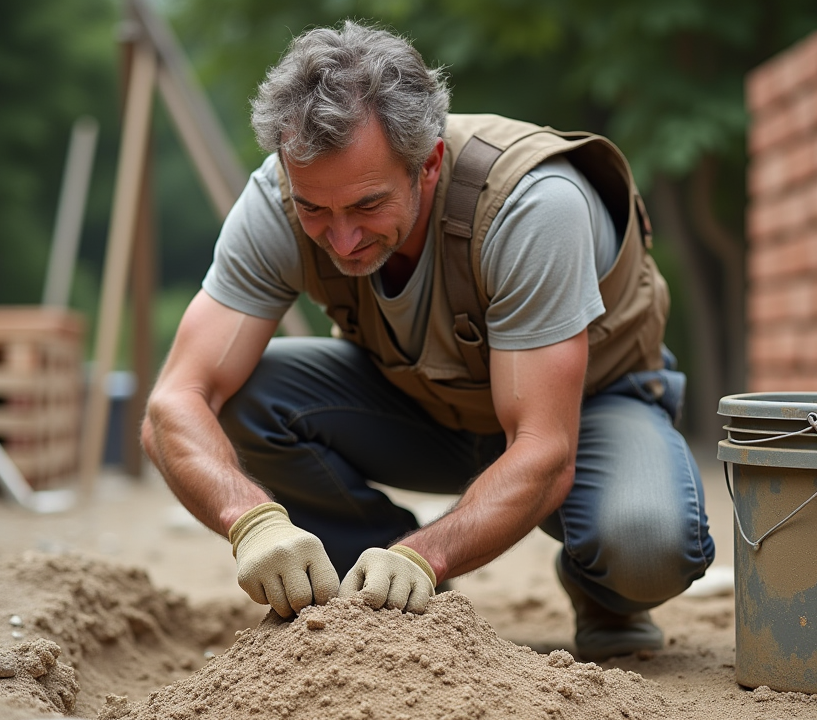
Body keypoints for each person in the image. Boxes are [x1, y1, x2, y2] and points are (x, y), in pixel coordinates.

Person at [141, 21, 714, 662]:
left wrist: (428, 555)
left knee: (647, 545)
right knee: (247, 398)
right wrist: (252, 521)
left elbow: (545, 450)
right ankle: (372, 576)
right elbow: (173, 405)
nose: (341, 239)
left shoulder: (531, 206)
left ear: (430, 163)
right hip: (416, 404)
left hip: (584, 412)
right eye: (315, 211)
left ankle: (597, 591)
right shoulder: (276, 201)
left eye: (366, 206)